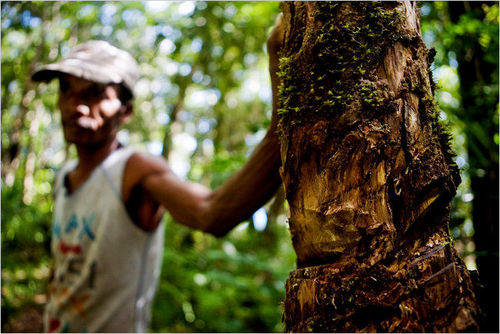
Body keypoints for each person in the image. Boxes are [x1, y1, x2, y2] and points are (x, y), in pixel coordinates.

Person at [31, 17, 284, 333]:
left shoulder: (132, 170)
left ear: (126, 111)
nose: (76, 106)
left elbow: (212, 213)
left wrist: (281, 129)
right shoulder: (64, 176)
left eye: (94, 93)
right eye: (66, 90)